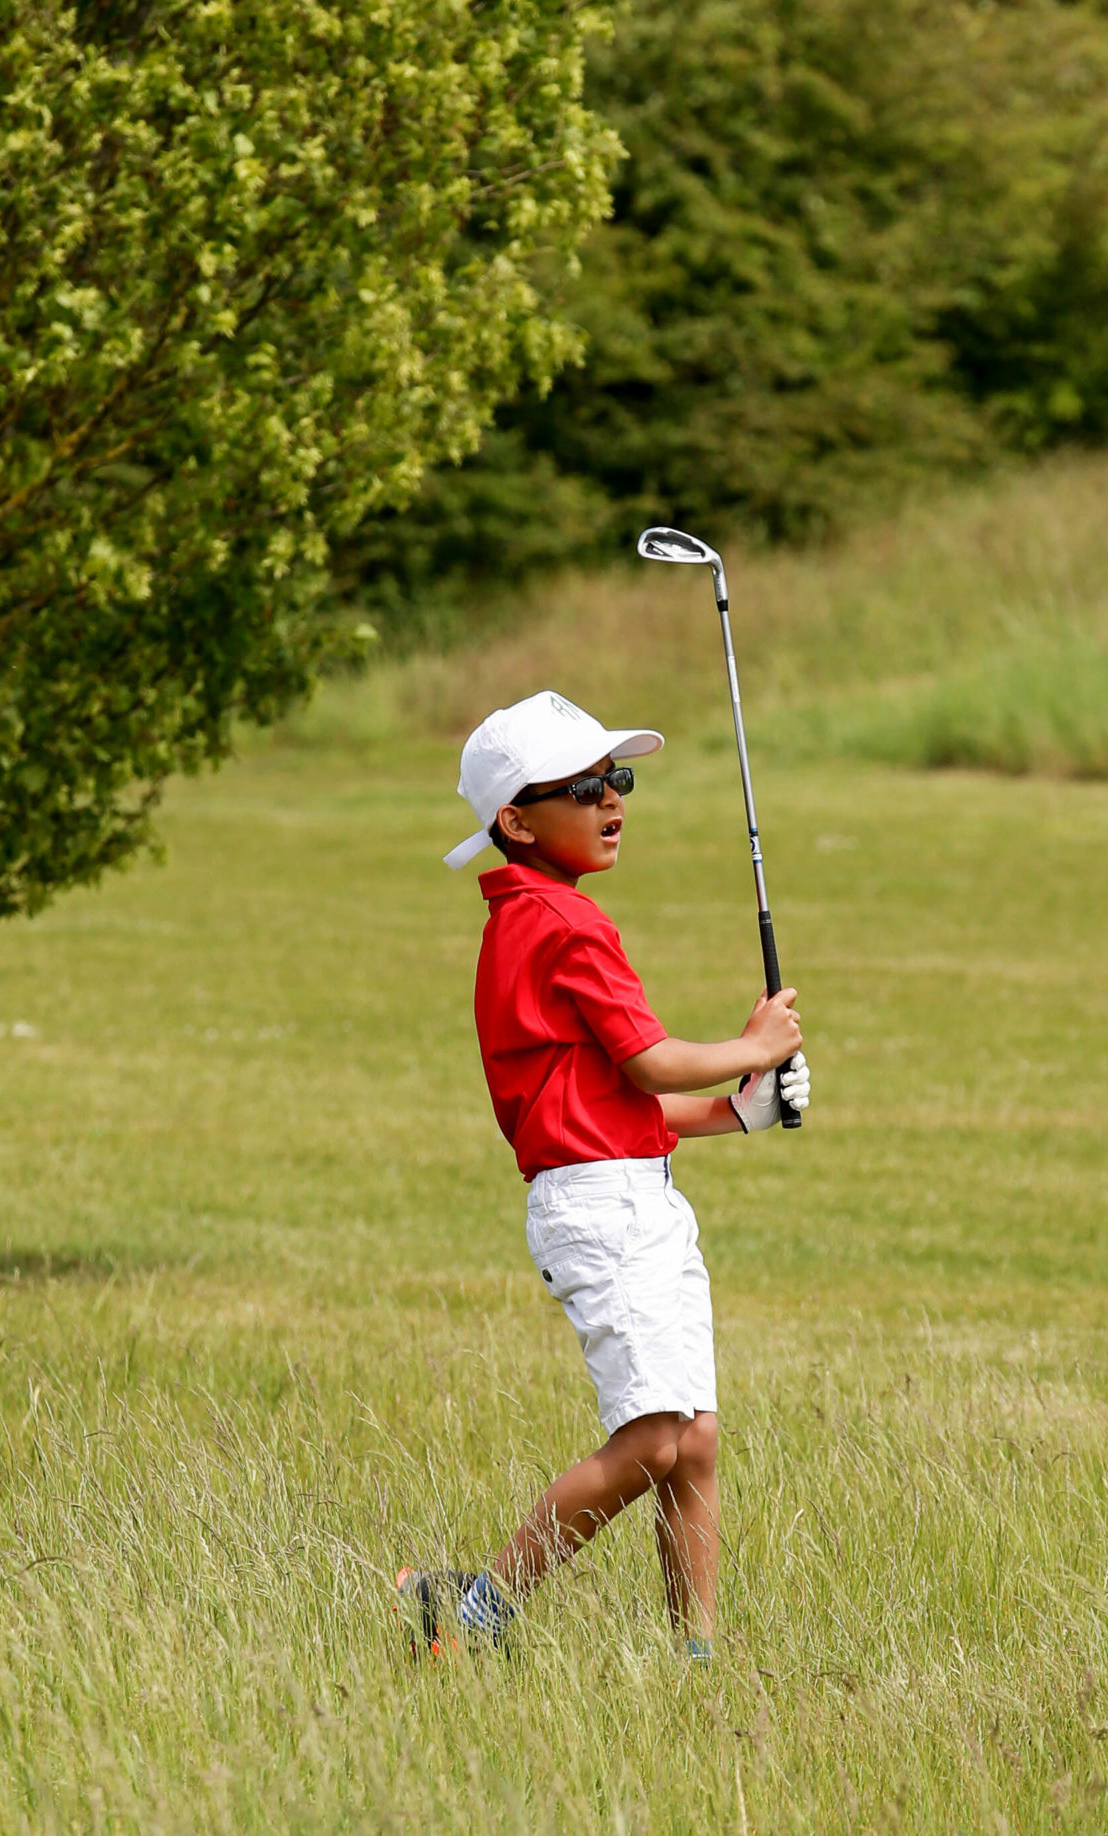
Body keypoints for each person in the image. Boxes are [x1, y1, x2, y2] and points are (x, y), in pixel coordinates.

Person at [397, 690, 813, 1662]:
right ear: (515, 820)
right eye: (584, 787)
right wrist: (751, 1042)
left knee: (694, 1439)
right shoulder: (566, 927)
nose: (612, 799)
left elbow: (612, 1102)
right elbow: (650, 1064)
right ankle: (463, 1614)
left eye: (615, 780)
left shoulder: (527, 919)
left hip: (628, 1192)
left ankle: (695, 1659)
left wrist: (737, 1108)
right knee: (656, 1438)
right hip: (603, 1206)